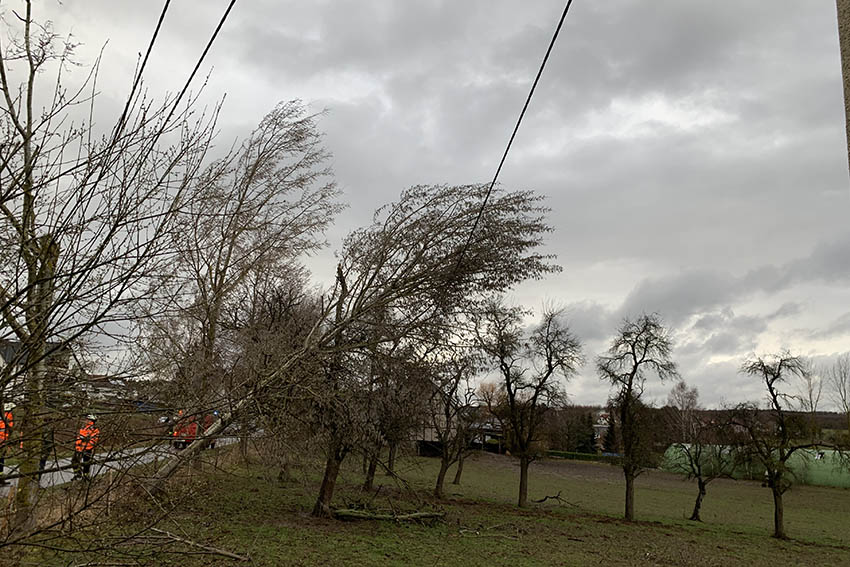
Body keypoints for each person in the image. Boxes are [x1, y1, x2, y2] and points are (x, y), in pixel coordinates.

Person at [72, 415, 100, 480]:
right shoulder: (84, 428)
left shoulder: (94, 429)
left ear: (91, 421)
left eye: (87, 419)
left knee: (86, 463)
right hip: (79, 448)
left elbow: (93, 440)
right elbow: (79, 437)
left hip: (87, 449)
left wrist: (84, 439)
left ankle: (86, 476)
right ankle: (78, 474)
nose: (85, 421)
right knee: (74, 461)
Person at [0, 403, 13, 485]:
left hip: (3, 440)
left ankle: (1, 478)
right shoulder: (7, 416)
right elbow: (8, 428)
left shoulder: (4, 415)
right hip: (2, 440)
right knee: (1, 459)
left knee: (1, 459)